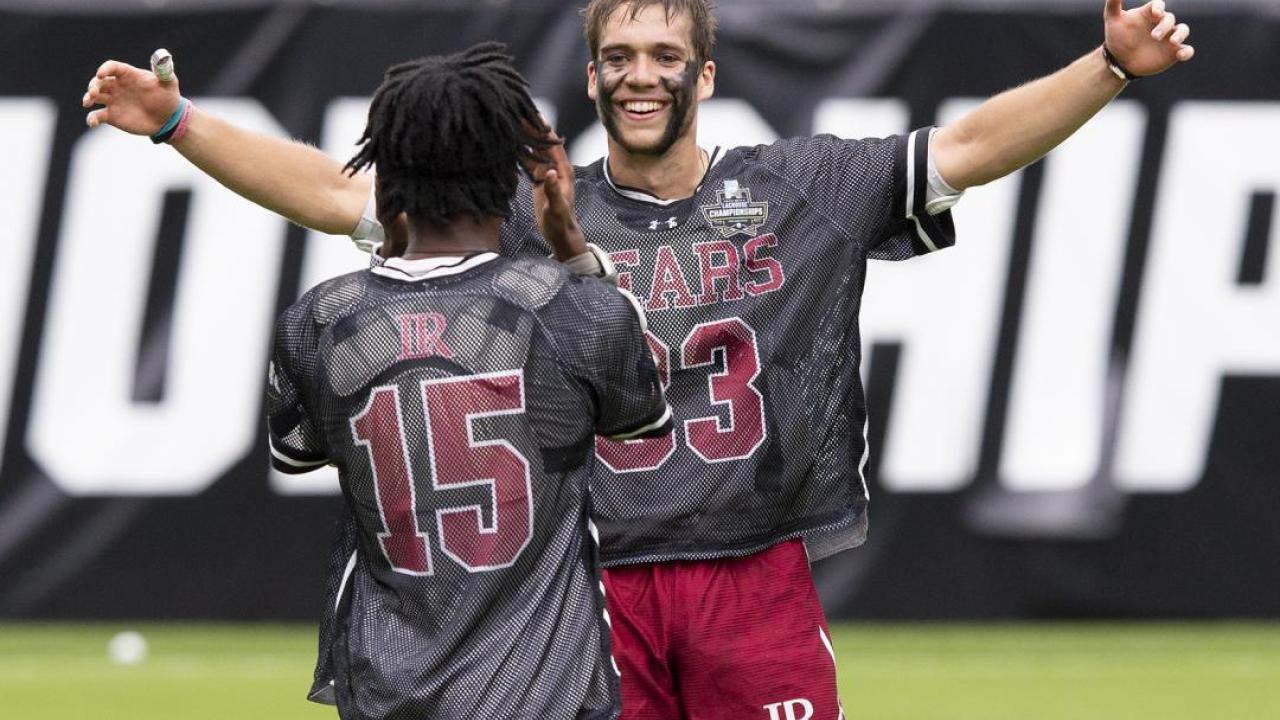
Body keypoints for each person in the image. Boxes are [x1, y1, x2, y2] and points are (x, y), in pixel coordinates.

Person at [83, 1, 1194, 717]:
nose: (640, 74)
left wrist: (1104, 66)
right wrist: (179, 122)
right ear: (593, 74)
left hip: (750, 570)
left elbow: (960, 150)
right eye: (618, 56)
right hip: (584, 590)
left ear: (703, 75)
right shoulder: (523, 211)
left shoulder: (798, 186)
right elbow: (340, 196)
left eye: (665, 55)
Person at [263, 42, 671, 719]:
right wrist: (568, 247)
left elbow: (297, 452)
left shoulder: (319, 322)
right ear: (512, 175)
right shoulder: (576, 312)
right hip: (546, 698)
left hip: (387, 693)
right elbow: (639, 417)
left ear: (385, 171)